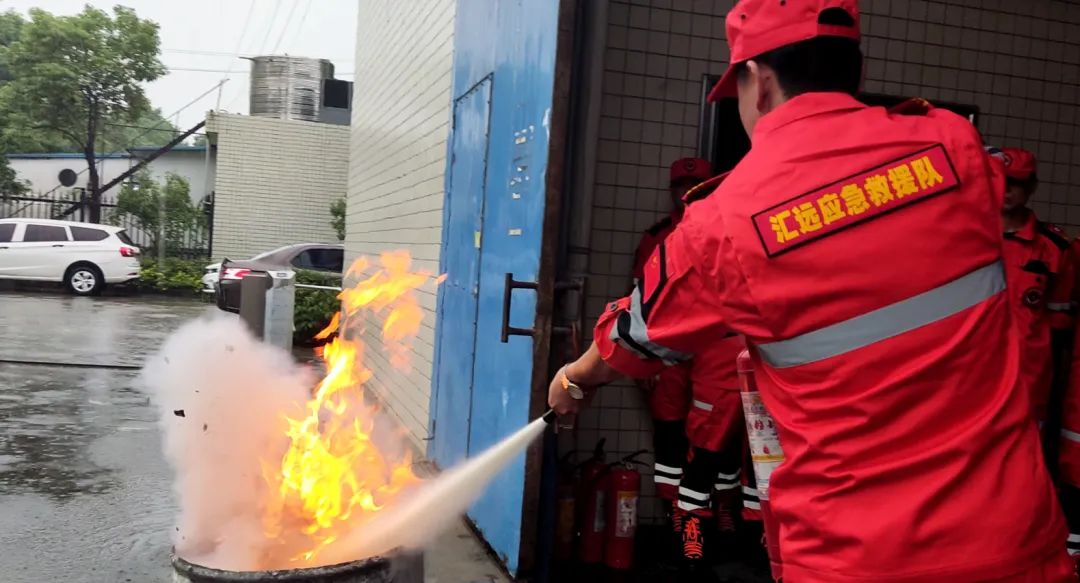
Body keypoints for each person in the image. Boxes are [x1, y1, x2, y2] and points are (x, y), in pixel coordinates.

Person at [548, 0, 1071, 580]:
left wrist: (573, 379)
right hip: (1016, 542)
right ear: (857, 69)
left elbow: (632, 338)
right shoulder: (955, 146)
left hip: (853, 557)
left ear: (759, 81)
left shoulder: (723, 220)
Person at [991, 146, 1073, 434]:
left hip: (1028, 378)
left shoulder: (1054, 248)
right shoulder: (967, 238)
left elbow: (1060, 325)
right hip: (973, 371)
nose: (1007, 190)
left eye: (1016, 183)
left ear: (1032, 187)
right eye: (1001, 180)